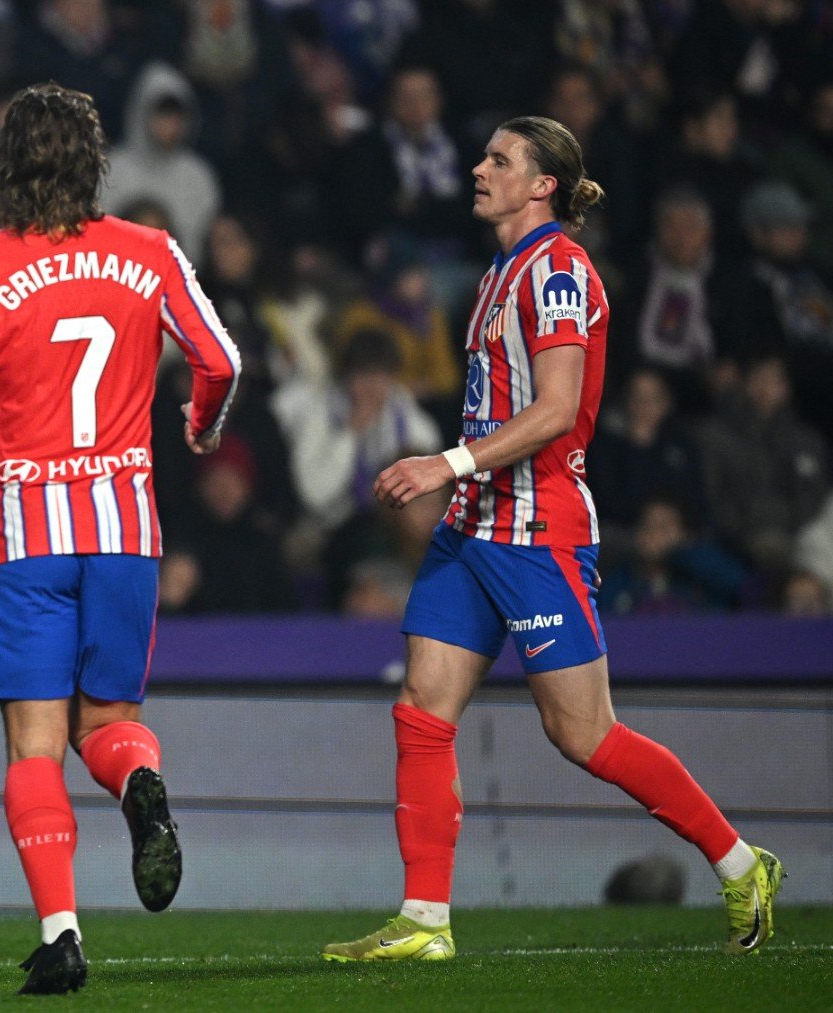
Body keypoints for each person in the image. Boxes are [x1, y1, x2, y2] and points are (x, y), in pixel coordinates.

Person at [323, 116, 782, 963]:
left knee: (583, 733)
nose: (478, 167)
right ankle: (425, 920)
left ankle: (741, 860)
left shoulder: (559, 268)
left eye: (500, 159)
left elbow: (559, 409)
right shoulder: (501, 271)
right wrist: (457, 480)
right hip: (473, 530)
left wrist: (445, 463)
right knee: (422, 708)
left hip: (538, 531)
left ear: (543, 185)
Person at [0, 83, 241, 996]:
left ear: (5, 167)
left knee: (34, 744)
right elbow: (222, 360)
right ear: (97, 167)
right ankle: (139, 788)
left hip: (27, 539)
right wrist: (202, 426)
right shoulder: (152, 251)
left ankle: (62, 935)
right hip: (125, 531)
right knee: (110, 724)